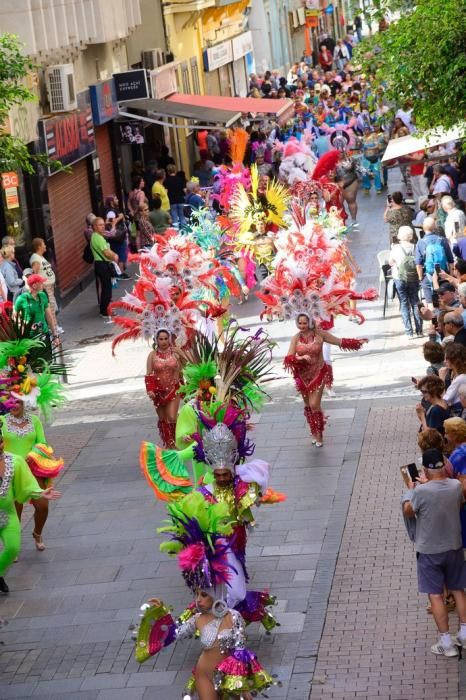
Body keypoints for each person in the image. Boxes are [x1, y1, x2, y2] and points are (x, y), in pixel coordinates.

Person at [402, 447, 466, 657]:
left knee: (436, 595)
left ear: (426, 470)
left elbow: (409, 510)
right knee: (458, 589)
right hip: (454, 546)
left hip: (430, 550)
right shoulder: (456, 486)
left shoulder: (421, 491)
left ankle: (446, 642)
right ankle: (465, 634)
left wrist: (410, 489)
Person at [285, 313, 367, 447]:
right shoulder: (295, 338)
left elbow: (339, 341)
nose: (302, 326)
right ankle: (313, 431)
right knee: (307, 406)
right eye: (299, 323)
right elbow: (289, 357)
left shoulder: (320, 334)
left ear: (310, 322)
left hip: (318, 373)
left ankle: (320, 434)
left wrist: (357, 342)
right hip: (302, 377)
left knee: (314, 405)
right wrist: (301, 359)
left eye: (304, 323)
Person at [0, 427, 61, 594]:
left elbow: (26, 485)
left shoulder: (15, 461)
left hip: (7, 514)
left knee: (13, 549)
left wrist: (41, 492)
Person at [0, 396, 63, 552]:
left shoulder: (34, 420)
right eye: (10, 402)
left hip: (32, 469)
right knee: (15, 510)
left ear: (24, 403)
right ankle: (13, 546)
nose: (13, 405)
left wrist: (33, 454)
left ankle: (37, 533)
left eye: (17, 402)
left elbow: (42, 442)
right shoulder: (1, 420)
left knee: (43, 507)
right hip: (10, 470)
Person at [145, 330, 183, 448]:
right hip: (158, 392)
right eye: (161, 339)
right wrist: (150, 390)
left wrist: (181, 353)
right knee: (163, 419)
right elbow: (149, 374)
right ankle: (169, 443)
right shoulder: (152, 355)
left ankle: (177, 440)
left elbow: (189, 363)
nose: (163, 341)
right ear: (156, 340)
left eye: (166, 338)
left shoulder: (175, 352)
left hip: (174, 390)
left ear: (169, 339)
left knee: (172, 416)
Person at [389, 226, 422, 338]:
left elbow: (390, 262)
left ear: (399, 236)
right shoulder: (415, 247)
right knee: (415, 302)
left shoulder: (396, 248)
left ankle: (409, 332)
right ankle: (419, 330)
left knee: (404, 303)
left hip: (400, 278)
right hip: (413, 278)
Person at [415, 217, 454, 307]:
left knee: (430, 303)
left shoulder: (420, 242)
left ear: (423, 228)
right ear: (435, 227)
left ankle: (434, 319)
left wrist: (421, 278)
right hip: (443, 275)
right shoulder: (442, 240)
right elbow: (450, 260)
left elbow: (418, 264)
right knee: (445, 301)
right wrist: (450, 275)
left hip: (428, 275)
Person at [29, 238, 62, 333]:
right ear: (39, 246)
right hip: (45, 287)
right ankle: (54, 329)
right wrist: (40, 285)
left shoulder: (40, 257)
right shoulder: (36, 259)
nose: (45, 245)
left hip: (49, 286)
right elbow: (34, 274)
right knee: (50, 307)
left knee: (52, 305)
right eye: (43, 244)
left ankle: (55, 326)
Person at [89, 217, 119, 322]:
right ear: (95, 227)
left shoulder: (97, 236)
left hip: (101, 264)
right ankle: (105, 311)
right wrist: (115, 256)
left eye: (103, 224)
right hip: (102, 264)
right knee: (107, 288)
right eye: (100, 225)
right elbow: (106, 252)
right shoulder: (97, 237)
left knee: (107, 287)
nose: (103, 226)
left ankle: (106, 308)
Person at [14, 274, 58, 342]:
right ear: (34, 285)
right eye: (40, 283)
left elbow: (49, 315)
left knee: (48, 353)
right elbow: (15, 318)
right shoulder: (21, 299)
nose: (43, 284)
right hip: (30, 337)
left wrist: (55, 334)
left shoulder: (43, 295)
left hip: (44, 333)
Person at [104, 195, 130, 280]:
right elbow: (110, 223)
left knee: (121, 254)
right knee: (121, 255)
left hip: (117, 237)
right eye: (115, 199)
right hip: (117, 238)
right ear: (111, 202)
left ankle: (119, 273)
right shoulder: (111, 212)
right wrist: (120, 217)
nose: (117, 200)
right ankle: (120, 274)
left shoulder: (112, 211)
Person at [164, 163, 186, 228]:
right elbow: (184, 190)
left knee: (174, 218)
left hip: (172, 201)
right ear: (175, 170)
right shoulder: (180, 179)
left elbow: (165, 192)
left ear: (168, 171)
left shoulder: (166, 181)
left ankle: (176, 233)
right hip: (180, 200)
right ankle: (184, 231)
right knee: (182, 217)